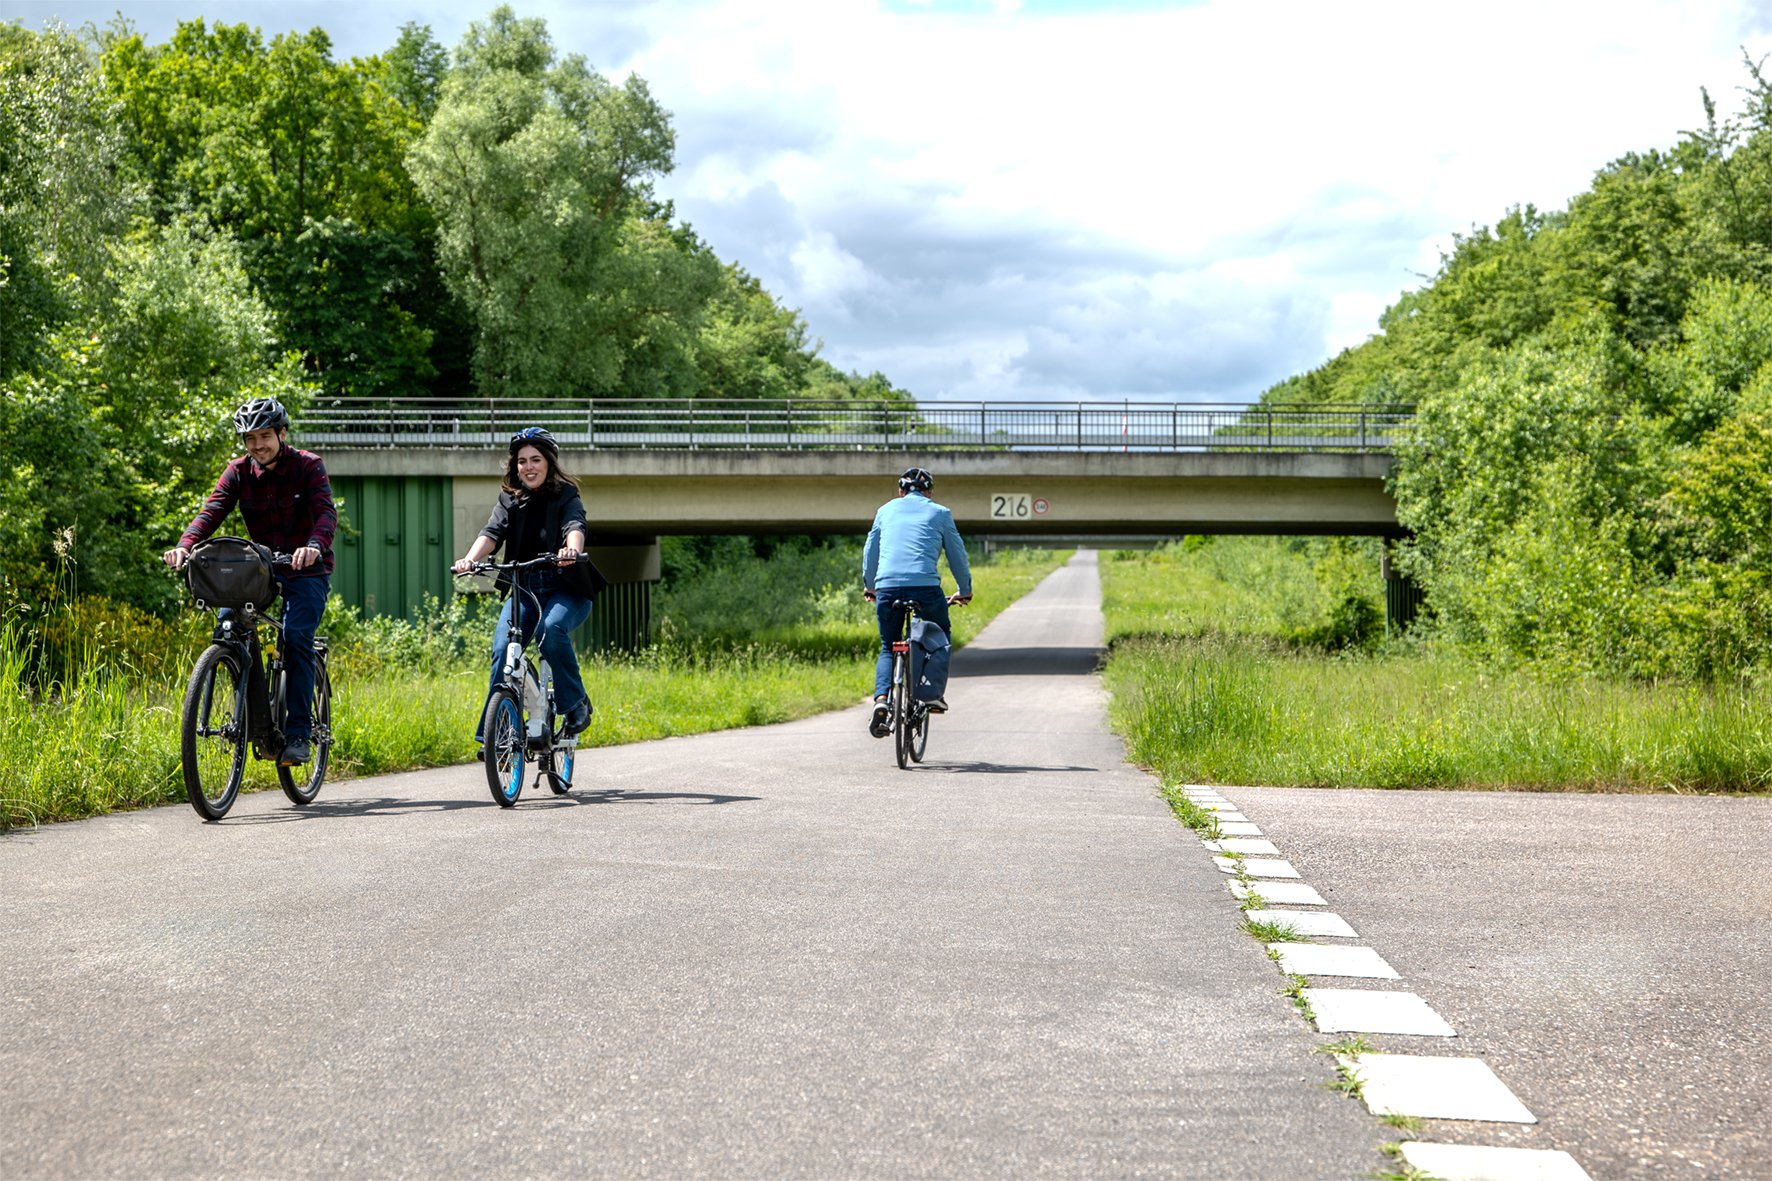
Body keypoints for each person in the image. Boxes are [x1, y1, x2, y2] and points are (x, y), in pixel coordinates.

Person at [163, 397, 336, 765]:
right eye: (250, 439)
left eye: (264, 436)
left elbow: (325, 514)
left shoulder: (308, 466)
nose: (258, 445)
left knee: (295, 637)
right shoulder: (238, 471)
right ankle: (250, 714)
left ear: (282, 433)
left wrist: (313, 546)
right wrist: (184, 546)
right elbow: (210, 512)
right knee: (228, 626)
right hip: (260, 570)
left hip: (306, 569)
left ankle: (298, 735)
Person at [452, 427, 594, 744]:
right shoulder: (510, 499)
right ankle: (496, 736)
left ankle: (575, 704)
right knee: (503, 650)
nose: (528, 467)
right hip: (524, 589)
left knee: (551, 631)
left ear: (549, 463)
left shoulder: (566, 494)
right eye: (522, 461)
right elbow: (492, 532)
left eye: (535, 460)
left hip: (565, 588)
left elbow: (575, 524)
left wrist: (571, 549)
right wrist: (470, 559)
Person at [862, 466, 973, 737]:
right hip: (925, 588)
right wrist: (964, 589)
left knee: (888, 646)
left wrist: (870, 586)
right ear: (929, 493)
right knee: (940, 636)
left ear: (901, 492)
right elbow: (957, 555)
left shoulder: (885, 510)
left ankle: (881, 701)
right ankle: (931, 694)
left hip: (887, 587)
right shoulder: (941, 513)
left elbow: (871, 551)